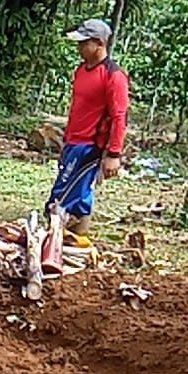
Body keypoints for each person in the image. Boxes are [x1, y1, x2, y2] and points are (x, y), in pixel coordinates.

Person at [48, 18, 129, 242]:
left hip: (90, 146)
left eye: (85, 43)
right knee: (79, 195)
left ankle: (59, 242)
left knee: (61, 197)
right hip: (73, 141)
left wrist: (113, 154)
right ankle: (75, 243)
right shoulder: (82, 70)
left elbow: (119, 117)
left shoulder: (114, 76)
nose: (80, 47)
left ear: (99, 43)